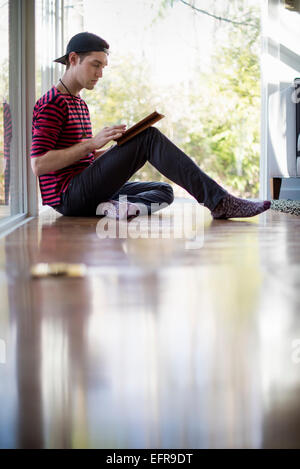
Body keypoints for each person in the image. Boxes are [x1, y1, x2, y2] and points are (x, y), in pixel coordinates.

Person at [30, 32, 271, 220]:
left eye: (103, 67)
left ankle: (115, 208)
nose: (100, 74)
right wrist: (92, 144)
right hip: (69, 196)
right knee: (149, 138)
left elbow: (80, 158)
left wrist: (113, 152)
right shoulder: (52, 103)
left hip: (85, 190)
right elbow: (39, 165)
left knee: (162, 190)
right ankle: (220, 202)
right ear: (73, 59)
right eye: (95, 64)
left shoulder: (79, 103)